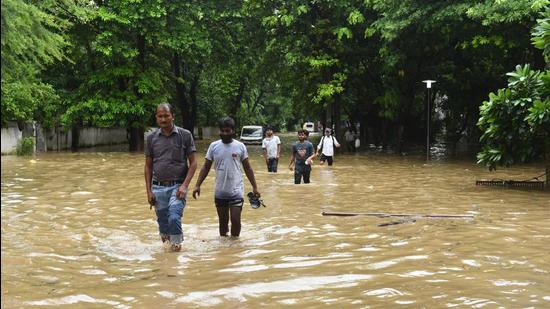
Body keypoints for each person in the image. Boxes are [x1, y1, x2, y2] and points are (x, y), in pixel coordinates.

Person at [192, 117, 260, 237]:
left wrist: (255, 187)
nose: (224, 133)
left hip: (236, 191)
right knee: (223, 223)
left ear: (233, 131)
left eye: (227, 131)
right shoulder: (213, 146)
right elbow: (206, 167)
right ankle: (224, 248)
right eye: (222, 131)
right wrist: (197, 185)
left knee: (236, 220)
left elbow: (247, 168)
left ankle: (234, 245)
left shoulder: (240, 146)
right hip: (220, 191)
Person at [145, 103, 197, 252]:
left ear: (172, 116)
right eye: (160, 116)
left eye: (166, 115)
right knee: (163, 225)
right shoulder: (151, 138)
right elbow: (148, 166)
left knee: (174, 217)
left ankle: (176, 253)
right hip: (158, 188)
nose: (163, 119)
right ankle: (168, 260)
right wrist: (148, 191)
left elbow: (193, 163)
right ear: (156, 118)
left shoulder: (185, 135)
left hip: (178, 186)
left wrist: (185, 185)